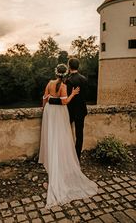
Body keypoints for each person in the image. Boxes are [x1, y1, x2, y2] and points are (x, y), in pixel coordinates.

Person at [39, 63, 98, 208]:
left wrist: (44, 109)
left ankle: (52, 158)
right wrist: (73, 94)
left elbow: (45, 98)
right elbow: (64, 101)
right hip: (61, 113)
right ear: (65, 74)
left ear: (56, 72)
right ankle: (70, 158)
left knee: (51, 135)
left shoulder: (50, 82)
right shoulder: (68, 85)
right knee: (63, 136)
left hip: (49, 112)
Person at [49, 58, 88, 160]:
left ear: (69, 67)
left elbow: (64, 99)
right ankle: (77, 157)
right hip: (82, 110)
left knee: (66, 133)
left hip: (70, 111)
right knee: (79, 135)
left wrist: (51, 100)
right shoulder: (84, 79)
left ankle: (66, 155)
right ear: (77, 66)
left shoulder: (68, 81)